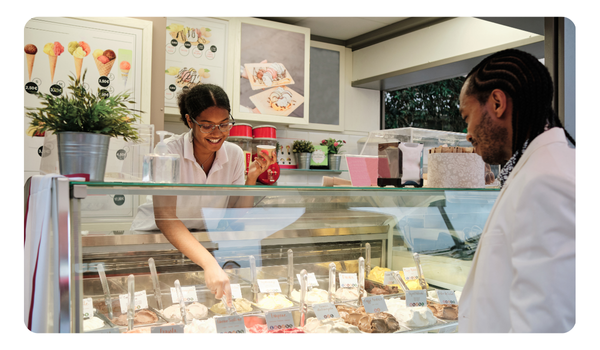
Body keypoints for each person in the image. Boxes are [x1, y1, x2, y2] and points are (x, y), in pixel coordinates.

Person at [457, 48, 575, 332]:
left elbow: (545, 326)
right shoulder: (540, 168)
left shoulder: (546, 180)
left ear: (497, 102)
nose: (468, 133)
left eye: (467, 117)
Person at [131, 84, 276, 302]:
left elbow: (235, 217)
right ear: (190, 121)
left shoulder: (235, 154)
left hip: (202, 244)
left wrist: (251, 178)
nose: (217, 133)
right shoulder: (169, 150)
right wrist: (209, 263)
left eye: (224, 124)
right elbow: (166, 218)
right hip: (156, 243)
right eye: (207, 126)